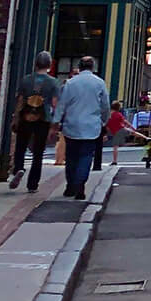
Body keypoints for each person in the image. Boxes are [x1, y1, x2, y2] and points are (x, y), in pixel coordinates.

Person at [53, 56, 110, 201]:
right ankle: (80, 183)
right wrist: (103, 121)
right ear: (93, 67)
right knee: (86, 156)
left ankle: (71, 185)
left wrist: (56, 122)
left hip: (72, 125)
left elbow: (62, 104)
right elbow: (105, 106)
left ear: (80, 66)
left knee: (71, 157)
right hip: (91, 126)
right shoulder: (99, 83)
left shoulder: (70, 83)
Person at [8, 52, 60, 191]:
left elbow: (20, 100)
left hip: (26, 117)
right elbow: (55, 104)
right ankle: (32, 184)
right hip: (43, 119)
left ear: (36, 64)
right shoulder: (53, 82)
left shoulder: (26, 80)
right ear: (49, 65)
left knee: (20, 146)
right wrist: (55, 124)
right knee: (38, 152)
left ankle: (19, 168)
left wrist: (16, 118)